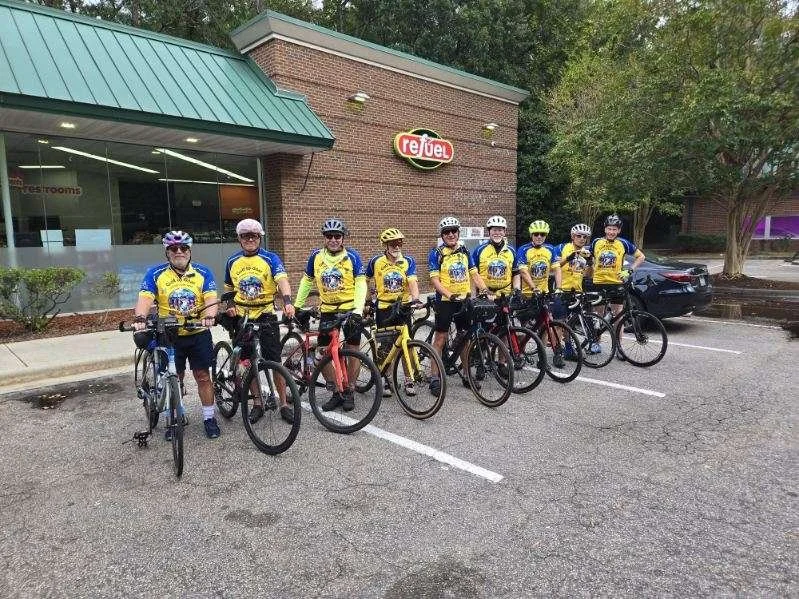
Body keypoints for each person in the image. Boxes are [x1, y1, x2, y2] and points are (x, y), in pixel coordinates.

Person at [133, 230, 220, 439]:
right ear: (167, 253)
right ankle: (173, 418)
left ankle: (209, 418)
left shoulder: (203, 272)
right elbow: (145, 299)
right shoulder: (155, 274)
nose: (178, 252)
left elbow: (210, 299)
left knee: (203, 377)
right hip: (169, 335)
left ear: (190, 251)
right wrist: (140, 318)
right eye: (173, 248)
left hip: (197, 332)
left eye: (183, 248)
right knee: (175, 377)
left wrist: (209, 316)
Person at [222, 218, 296, 424]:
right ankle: (257, 403)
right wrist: (229, 307)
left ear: (260, 238)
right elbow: (228, 289)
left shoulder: (271, 258)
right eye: (245, 236)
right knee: (247, 362)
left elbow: (282, 280)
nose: (250, 239)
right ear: (239, 239)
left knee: (274, 361)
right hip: (242, 316)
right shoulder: (232, 261)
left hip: (265, 313)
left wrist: (287, 301)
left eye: (253, 236)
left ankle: (283, 404)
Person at [294, 218, 366, 411]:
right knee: (323, 352)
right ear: (324, 238)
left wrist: (358, 310)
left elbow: (360, 284)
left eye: (337, 236)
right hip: (327, 310)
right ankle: (336, 390)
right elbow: (306, 281)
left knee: (353, 351)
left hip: (350, 309)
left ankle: (350, 390)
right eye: (329, 236)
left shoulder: (353, 256)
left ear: (343, 238)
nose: (333, 239)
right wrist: (297, 306)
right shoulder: (316, 257)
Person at [428, 216, 489, 395]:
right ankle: (434, 377)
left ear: (458, 232)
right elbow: (435, 280)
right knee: (440, 339)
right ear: (442, 235)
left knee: (465, 338)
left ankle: (466, 374)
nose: (451, 234)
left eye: (454, 231)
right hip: (446, 301)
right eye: (447, 232)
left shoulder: (464, 250)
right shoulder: (436, 253)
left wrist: (484, 289)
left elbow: (474, 273)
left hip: (464, 300)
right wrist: (449, 294)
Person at [366, 227, 421, 397]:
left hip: (403, 308)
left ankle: (408, 379)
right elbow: (366, 280)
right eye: (392, 243)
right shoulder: (376, 261)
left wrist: (416, 298)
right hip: (384, 308)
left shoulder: (408, 261)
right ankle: (387, 379)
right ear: (385, 245)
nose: (397, 246)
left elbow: (412, 282)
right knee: (386, 347)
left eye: (399, 243)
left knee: (407, 344)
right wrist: (368, 300)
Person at [551, 223, 594, 365]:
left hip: (577, 292)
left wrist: (589, 263)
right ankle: (557, 353)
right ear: (572, 236)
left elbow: (588, 275)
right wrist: (568, 258)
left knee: (569, 325)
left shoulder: (586, 252)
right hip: (561, 290)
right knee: (559, 323)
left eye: (585, 237)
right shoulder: (562, 248)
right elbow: (553, 268)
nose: (582, 239)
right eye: (579, 236)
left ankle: (569, 350)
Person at [590, 214, 646, 317]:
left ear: (619, 231)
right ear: (605, 229)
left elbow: (641, 257)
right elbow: (590, 258)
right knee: (599, 315)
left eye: (614, 229)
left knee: (618, 315)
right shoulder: (596, 242)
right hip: (598, 282)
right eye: (609, 229)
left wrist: (629, 271)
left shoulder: (623, 243)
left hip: (616, 282)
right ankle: (599, 333)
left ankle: (617, 334)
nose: (611, 232)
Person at [472, 215, 518, 297]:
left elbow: (516, 273)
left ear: (504, 232)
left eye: (500, 230)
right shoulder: (479, 250)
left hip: (505, 295)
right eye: (494, 230)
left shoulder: (512, 251)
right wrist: (474, 295)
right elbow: (474, 274)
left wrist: (516, 291)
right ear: (489, 231)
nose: (497, 233)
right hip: (485, 295)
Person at [516, 219, 561, 296]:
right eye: (536, 234)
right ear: (531, 235)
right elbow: (523, 271)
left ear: (546, 235)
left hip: (544, 293)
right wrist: (534, 288)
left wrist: (559, 288)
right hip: (528, 293)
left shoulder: (550, 248)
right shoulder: (523, 249)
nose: (539, 237)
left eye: (542, 234)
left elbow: (557, 269)